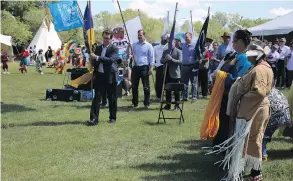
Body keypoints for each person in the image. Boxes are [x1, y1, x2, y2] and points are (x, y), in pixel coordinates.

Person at [212, 44, 273, 181]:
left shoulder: (260, 69)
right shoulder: (258, 67)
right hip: (252, 109)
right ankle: (246, 170)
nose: (248, 56)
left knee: (253, 139)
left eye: (250, 54)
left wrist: (241, 96)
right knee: (249, 139)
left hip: (254, 109)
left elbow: (260, 92)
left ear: (257, 55)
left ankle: (255, 173)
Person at [212, 30, 252, 147]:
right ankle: (221, 148)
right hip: (226, 96)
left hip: (234, 98)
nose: (232, 43)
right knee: (224, 125)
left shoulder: (244, 58)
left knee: (229, 127)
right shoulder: (235, 55)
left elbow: (238, 80)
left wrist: (221, 75)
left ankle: (226, 152)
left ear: (240, 42)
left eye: (234, 41)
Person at [87, 29, 121, 126]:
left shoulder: (114, 49)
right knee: (96, 97)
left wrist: (97, 57)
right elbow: (95, 62)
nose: (105, 40)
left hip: (110, 76)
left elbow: (110, 60)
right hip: (100, 76)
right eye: (104, 38)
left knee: (112, 98)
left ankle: (112, 117)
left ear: (111, 39)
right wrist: (92, 61)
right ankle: (94, 119)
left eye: (107, 38)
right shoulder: (98, 48)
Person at [263, 86, 291, 160]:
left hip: (275, 117)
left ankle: (263, 154)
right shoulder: (277, 91)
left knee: (262, 136)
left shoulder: (263, 93)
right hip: (286, 117)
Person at [130, 29, 155, 109]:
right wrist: (129, 49)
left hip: (145, 67)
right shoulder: (134, 45)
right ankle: (135, 103)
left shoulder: (149, 46)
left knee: (146, 86)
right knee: (134, 86)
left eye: (140, 35)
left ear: (144, 35)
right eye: (138, 35)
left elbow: (151, 58)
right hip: (136, 67)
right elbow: (129, 54)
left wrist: (151, 68)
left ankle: (146, 103)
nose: (139, 36)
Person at [160, 37, 182, 111]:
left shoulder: (178, 51)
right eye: (168, 43)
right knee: (168, 90)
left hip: (175, 74)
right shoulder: (165, 51)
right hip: (167, 73)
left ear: (174, 43)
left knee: (176, 90)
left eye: (171, 42)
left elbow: (180, 61)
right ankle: (168, 104)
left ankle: (177, 105)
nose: (169, 44)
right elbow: (161, 61)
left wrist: (171, 59)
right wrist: (165, 59)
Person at [181, 32, 199, 102]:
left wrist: (198, 62)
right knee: (185, 83)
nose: (185, 38)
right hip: (184, 66)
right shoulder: (183, 45)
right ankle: (185, 97)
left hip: (192, 66)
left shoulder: (195, 46)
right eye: (185, 37)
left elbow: (198, 55)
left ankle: (194, 97)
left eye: (187, 37)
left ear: (190, 37)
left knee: (193, 82)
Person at [154, 34, 169, 100]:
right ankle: (159, 95)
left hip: (167, 66)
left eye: (165, 39)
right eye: (162, 39)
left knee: (167, 82)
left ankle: (167, 95)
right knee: (158, 82)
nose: (163, 40)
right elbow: (153, 57)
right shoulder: (156, 47)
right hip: (159, 66)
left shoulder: (168, 47)